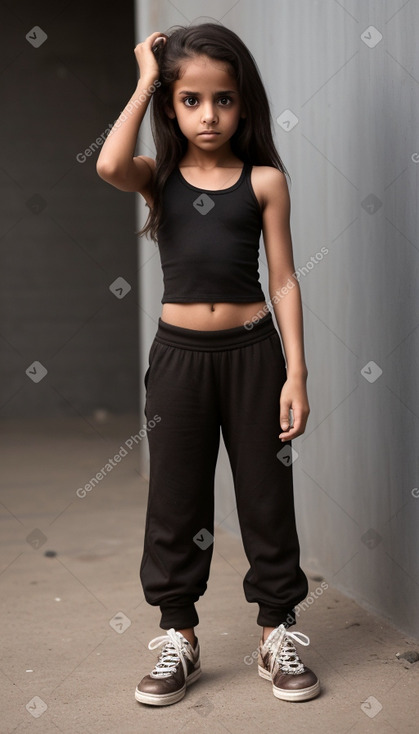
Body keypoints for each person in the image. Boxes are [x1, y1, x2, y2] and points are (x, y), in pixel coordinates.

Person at [96, 21, 320, 707]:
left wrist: (296, 374)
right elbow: (108, 165)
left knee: (264, 496)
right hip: (179, 363)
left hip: (254, 357)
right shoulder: (156, 177)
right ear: (171, 105)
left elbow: (282, 279)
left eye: (222, 99)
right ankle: (178, 637)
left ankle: (275, 632)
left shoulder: (264, 182)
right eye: (190, 100)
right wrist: (144, 79)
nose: (208, 115)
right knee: (175, 499)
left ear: (242, 104)